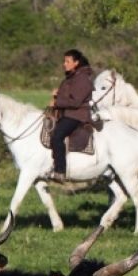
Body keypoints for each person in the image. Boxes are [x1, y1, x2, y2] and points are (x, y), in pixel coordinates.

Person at [48, 49, 95, 182]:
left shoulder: (82, 79)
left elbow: (75, 102)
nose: (64, 64)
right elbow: (69, 95)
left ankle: (60, 171)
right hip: (68, 113)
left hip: (77, 115)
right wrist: (58, 94)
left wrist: (57, 102)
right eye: (64, 61)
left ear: (76, 63)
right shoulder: (73, 76)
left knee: (57, 136)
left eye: (67, 61)